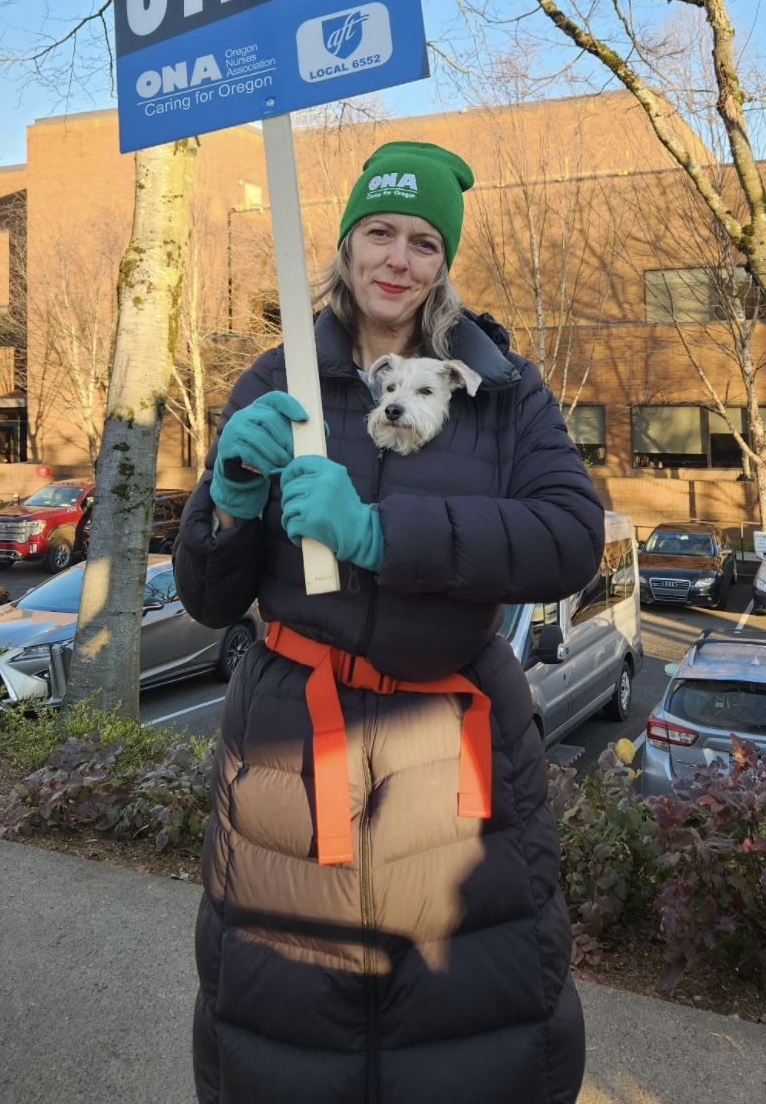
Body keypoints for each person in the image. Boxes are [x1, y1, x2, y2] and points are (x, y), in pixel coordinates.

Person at [174, 139, 604, 1104]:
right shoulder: (274, 379)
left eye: (421, 241)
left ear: (442, 261)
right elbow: (206, 595)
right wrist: (231, 496)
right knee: (286, 1027)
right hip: (292, 758)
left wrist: (379, 534)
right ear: (343, 243)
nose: (397, 258)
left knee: (467, 1033)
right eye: (378, 231)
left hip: (455, 757)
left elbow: (569, 538)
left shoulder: (500, 392)